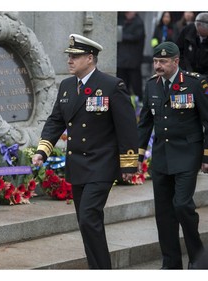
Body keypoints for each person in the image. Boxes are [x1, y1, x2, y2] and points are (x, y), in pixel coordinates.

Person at [32, 34, 139, 269]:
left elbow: (127, 127)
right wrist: (43, 151)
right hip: (77, 165)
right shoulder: (67, 86)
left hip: (101, 164)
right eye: (69, 56)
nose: (70, 60)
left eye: (75, 56)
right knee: (86, 222)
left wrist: (129, 164)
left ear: (90, 58)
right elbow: (55, 121)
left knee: (89, 218)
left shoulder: (112, 86)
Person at [137, 41, 208, 269]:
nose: (158, 66)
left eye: (163, 62)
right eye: (156, 61)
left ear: (176, 62)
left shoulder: (194, 84)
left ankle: (198, 259)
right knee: (164, 212)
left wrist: (206, 155)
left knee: (182, 205)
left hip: (188, 154)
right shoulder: (152, 86)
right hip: (161, 156)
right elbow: (145, 123)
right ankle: (171, 263)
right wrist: (136, 157)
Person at [117, 12, 145, 103]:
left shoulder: (138, 22)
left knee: (136, 85)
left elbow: (136, 37)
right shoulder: (121, 20)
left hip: (133, 61)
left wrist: (121, 36)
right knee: (123, 85)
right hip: (121, 61)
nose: (127, 14)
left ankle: (139, 103)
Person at [176, 12, 208, 76]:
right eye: (200, 34)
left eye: (205, 35)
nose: (202, 38)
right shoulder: (187, 31)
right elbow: (178, 51)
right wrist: (186, 69)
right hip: (186, 71)